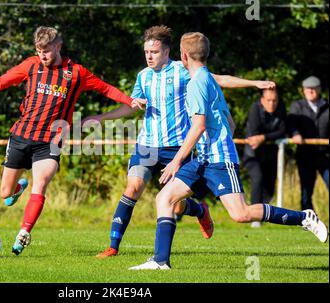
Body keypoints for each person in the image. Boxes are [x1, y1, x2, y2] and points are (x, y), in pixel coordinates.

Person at [129, 32, 328, 270]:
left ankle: (304, 218)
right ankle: (161, 261)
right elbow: (228, 119)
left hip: (218, 160)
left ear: (183, 55)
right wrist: (253, 85)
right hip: (202, 159)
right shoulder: (205, 78)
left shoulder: (196, 84)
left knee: (241, 214)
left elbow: (199, 125)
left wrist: (177, 161)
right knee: (165, 198)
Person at [0, 26, 137, 256]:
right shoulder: (31, 65)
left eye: (46, 50)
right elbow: (0, 82)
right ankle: (16, 189)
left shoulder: (76, 73)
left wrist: (130, 101)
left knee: (41, 183)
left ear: (58, 46)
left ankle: (24, 232)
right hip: (21, 136)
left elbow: (106, 89)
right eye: (38, 50)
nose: (42, 55)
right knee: (5, 193)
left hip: (50, 141)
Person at [84, 25, 277, 259]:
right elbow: (130, 105)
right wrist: (101, 118)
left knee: (173, 204)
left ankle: (197, 209)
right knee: (132, 188)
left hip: (177, 148)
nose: (149, 56)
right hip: (147, 145)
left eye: (154, 52)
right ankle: (113, 246)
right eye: (146, 52)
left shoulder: (182, 70)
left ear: (167, 52)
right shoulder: (143, 76)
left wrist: (255, 83)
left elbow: (218, 80)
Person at [243, 88, 287, 228]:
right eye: (268, 100)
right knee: (258, 179)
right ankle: (255, 219)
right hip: (253, 155)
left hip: (270, 155)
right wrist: (268, 136)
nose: (272, 103)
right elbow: (255, 133)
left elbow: (282, 131)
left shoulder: (281, 109)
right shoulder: (255, 109)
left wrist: (264, 137)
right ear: (262, 100)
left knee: (269, 188)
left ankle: (264, 213)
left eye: (274, 100)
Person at [288, 76, 329, 211]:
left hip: (326, 155)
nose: (311, 91)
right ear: (303, 91)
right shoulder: (297, 106)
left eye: (314, 88)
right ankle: (307, 220)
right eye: (308, 89)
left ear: (319, 89)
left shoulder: (326, 105)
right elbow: (291, 124)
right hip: (305, 155)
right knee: (306, 190)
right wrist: (295, 134)